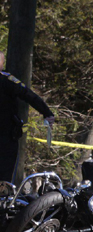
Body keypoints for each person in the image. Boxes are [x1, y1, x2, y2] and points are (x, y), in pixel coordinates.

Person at [0, 51, 55, 183]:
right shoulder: (7, 80)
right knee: (4, 179)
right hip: (5, 138)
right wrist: (47, 113)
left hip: (6, 136)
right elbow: (28, 95)